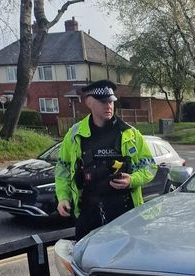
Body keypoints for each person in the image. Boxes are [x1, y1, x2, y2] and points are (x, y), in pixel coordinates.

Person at [55, 80, 157, 240]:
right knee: (86, 254)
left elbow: (150, 167)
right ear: (89, 102)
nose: (108, 106)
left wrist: (132, 180)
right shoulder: (75, 134)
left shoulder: (130, 133)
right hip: (88, 211)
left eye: (111, 101)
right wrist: (63, 197)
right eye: (103, 102)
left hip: (125, 212)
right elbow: (63, 168)